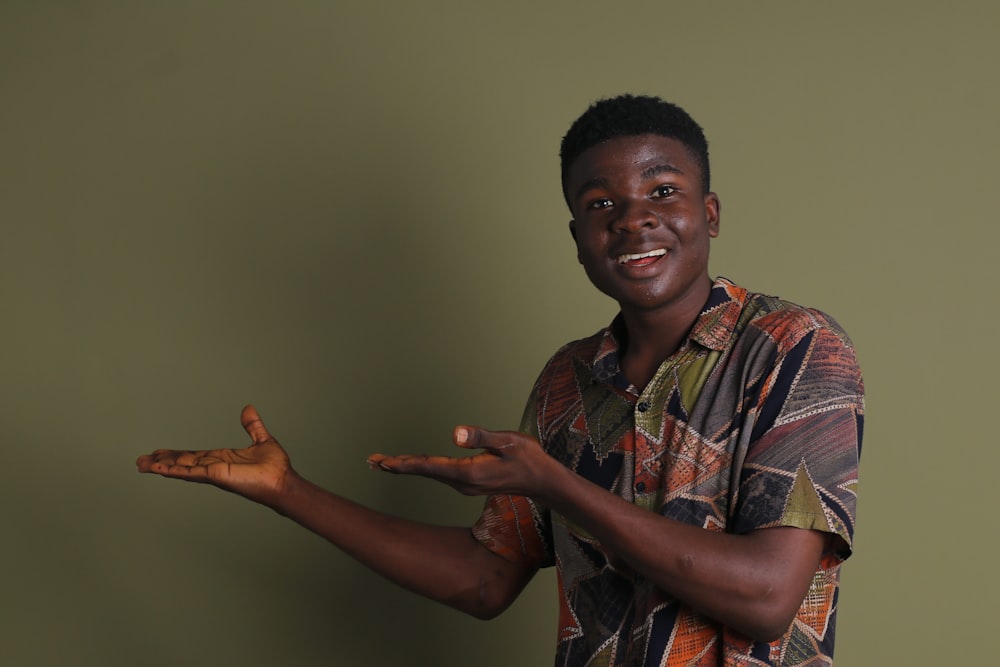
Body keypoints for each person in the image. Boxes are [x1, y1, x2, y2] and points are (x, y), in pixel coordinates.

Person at [136, 94, 863, 666]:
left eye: (663, 190)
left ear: (708, 214)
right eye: (600, 204)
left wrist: (555, 484)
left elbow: (768, 595)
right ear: (578, 238)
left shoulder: (793, 348)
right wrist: (289, 492)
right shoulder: (565, 382)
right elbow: (486, 578)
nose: (634, 219)